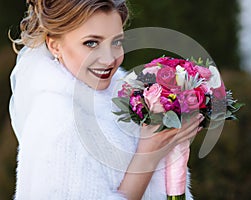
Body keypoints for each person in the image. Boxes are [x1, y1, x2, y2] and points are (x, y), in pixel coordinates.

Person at [9, 0, 204, 199]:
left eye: (116, 42)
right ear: (55, 45)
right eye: (91, 43)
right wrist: (149, 152)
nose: (109, 59)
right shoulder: (60, 122)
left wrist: (170, 137)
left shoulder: (120, 97)